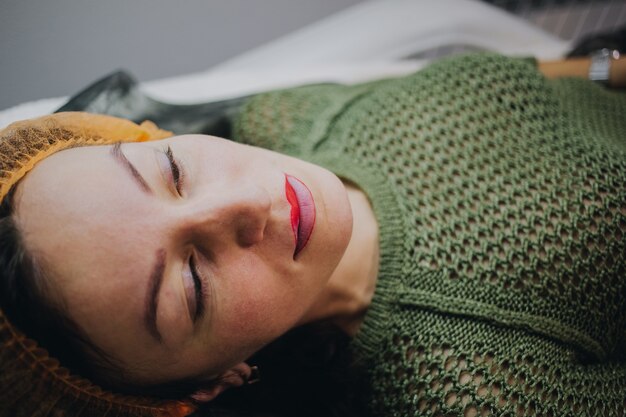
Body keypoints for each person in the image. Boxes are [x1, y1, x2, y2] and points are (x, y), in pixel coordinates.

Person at [0, 52, 625, 417]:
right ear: (214, 381)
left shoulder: (283, 114)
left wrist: (607, 65)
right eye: (190, 282)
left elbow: (540, 77)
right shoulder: (482, 388)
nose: (244, 202)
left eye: (172, 171)